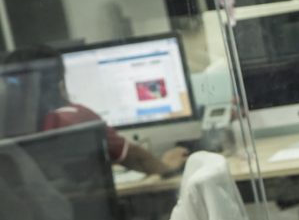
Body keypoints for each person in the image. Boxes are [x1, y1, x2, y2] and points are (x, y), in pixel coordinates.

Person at [1, 45, 187, 175]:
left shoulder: (8, 128)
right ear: (59, 81)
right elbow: (135, 158)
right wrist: (167, 167)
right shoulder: (76, 117)